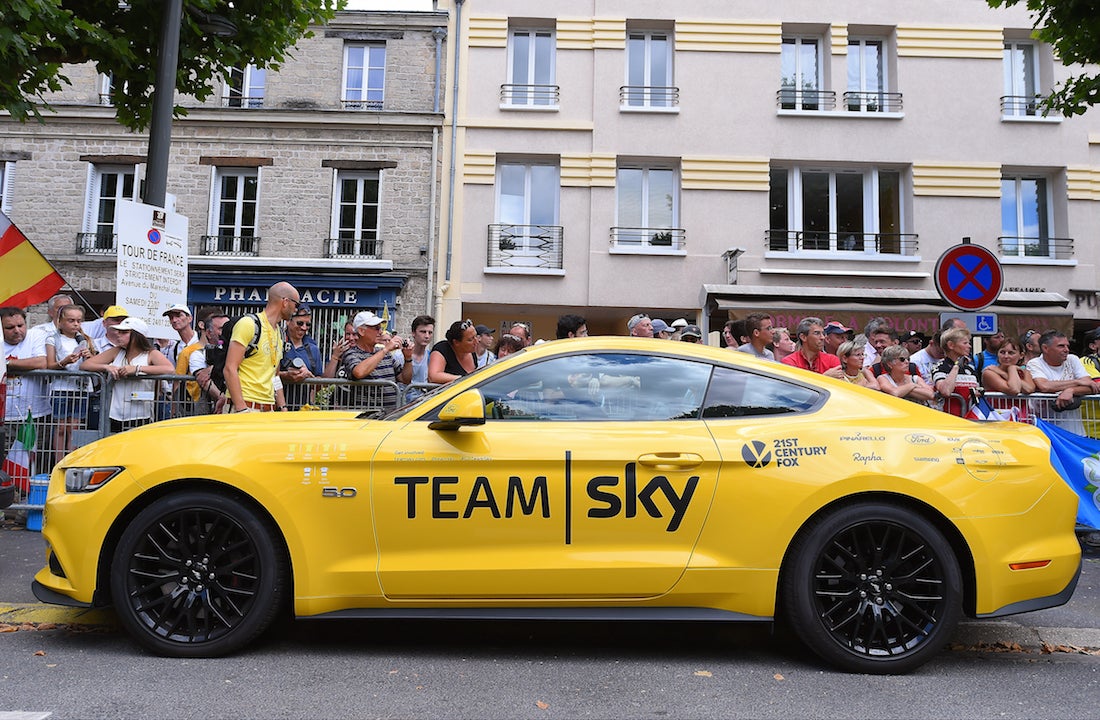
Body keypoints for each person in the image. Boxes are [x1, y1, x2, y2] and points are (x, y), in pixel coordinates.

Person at [83, 317, 175, 432]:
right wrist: (107, 367)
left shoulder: (151, 353)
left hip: (141, 414)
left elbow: (169, 369)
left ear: (137, 335)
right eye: (118, 331)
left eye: (124, 332)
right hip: (114, 412)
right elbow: (86, 365)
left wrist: (137, 369)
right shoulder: (116, 351)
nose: (118, 335)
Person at [224, 282, 299, 413]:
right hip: (245, 405)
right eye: (296, 304)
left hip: (268, 408)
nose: (296, 309)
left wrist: (283, 407)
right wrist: (241, 408)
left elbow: (275, 375)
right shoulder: (248, 324)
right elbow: (230, 368)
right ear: (285, 302)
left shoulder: (280, 333)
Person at [44, 304, 92, 463]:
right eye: (71, 320)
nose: (76, 324)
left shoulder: (85, 340)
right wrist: (63, 362)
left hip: (80, 388)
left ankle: (72, 461)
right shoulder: (53, 339)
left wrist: (89, 356)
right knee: (61, 427)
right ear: (60, 321)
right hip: (61, 388)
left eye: (79, 321)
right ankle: (58, 461)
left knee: (75, 427)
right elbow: (50, 365)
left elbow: (93, 363)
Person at [1027, 330, 1095, 434]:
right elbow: (1044, 386)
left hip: (1075, 430)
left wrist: (1071, 390)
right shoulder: (1035, 363)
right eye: (1061, 346)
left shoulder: (1073, 359)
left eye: (1067, 346)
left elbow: (1090, 385)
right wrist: (1078, 381)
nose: (1066, 350)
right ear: (1045, 348)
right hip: (1046, 429)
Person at [341, 311, 411, 411]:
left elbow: (405, 379)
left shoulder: (385, 354)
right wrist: (385, 349)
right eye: (376, 328)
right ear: (361, 331)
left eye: (380, 328)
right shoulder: (351, 353)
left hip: (390, 415)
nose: (381, 332)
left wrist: (408, 358)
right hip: (367, 417)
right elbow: (359, 372)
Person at [177, 308, 229, 416]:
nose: (225, 332)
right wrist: (221, 398)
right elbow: (202, 379)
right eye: (220, 328)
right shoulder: (197, 354)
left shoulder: (238, 351)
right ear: (208, 332)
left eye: (228, 328)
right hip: (205, 410)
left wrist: (211, 369)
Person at [981, 335, 1035, 420]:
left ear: (1021, 355)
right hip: (998, 418)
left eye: (1011, 353)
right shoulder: (989, 373)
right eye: (1002, 352)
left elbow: (1029, 389)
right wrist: (1012, 369)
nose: (1006, 356)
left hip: (1021, 419)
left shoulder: (1025, 372)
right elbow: (1014, 389)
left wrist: (1004, 373)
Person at [280, 306, 323, 410]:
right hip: (276, 406)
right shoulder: (277, 341)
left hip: (302, 408)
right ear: (288, 321)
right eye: (300, 323)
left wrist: (309, 376)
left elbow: (319, 385)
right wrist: (285, 375)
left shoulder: (313, 348)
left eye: (308, 324)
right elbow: (266, 373)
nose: (304, 328)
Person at [932, 327, 980, 417]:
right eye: (965, 343)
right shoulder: (940, 366)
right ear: (951, 345)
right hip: (948, 420)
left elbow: (977, 392)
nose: (969, 346)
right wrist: (956, 366)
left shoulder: (970, 369)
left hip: (970, 420)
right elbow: (945, 391)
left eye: (969, 343)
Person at [780, 317, 844, 378]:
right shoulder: (790, 361)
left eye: (823, 333)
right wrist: (825, 377)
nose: (822, 337)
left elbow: (837, 387)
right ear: (803, 337)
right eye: (817, 333)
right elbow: (796, 388)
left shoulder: (832, 360)